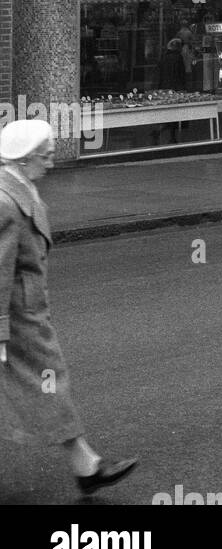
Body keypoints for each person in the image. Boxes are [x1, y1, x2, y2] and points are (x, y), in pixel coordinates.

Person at [0, 119, 138, 495]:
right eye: (46, 156)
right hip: (18, 318)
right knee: (49, 380)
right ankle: (86, 464)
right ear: (26, 159)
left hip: (25, 311)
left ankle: (85, 463)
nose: (52, 163)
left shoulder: (18, 186)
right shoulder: (5, 201)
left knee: (31, 386)